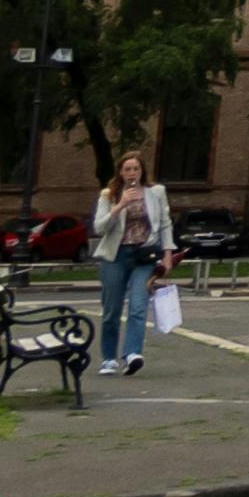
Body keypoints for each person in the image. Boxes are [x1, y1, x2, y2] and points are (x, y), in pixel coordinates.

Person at [85, 150, 173, 376]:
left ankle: (132, 353)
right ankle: (108, 358)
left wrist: (168, 254)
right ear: (120, 173)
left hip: (144, 256)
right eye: (127, 169)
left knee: (138, 305)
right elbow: (100, 227)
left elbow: (164, 223)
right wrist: (120, 205)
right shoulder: (109, 195)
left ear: (142, 171)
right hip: (116, 256)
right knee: (111, 310)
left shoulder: (156, 192)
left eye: (136, 169)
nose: (132, 173)